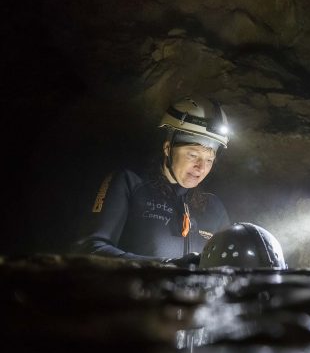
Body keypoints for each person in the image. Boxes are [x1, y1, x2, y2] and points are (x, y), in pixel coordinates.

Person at [72, 95, 231, 267]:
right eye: (193, 155)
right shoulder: (129, 184)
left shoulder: (214, 208)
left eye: (209, 160)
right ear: (168, 148)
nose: (201, 168)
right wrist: (167, 266)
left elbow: (231, 265)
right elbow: (90, 248)